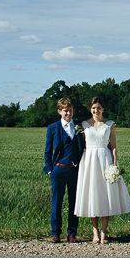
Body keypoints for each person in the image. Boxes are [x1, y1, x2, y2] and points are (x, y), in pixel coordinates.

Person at [74, 96, 130, 243]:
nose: (96, 110)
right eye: (94, 108)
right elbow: (80, 145)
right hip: (89, 162)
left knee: (105, 195)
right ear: (90, 109)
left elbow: (113, 146)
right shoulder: (84, 125)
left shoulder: (109, 124)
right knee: (92, 194)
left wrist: (114, 165)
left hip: (105, 160)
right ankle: (94, 232)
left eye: (99, 108)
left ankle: (104, 232)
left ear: (103, 109)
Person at [43, 97, 84, 243]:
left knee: (74, 202)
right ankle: (56, 233)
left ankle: (72, 233)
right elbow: (48, 151)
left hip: (74, 171)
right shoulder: (53, 128)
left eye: (70, 110)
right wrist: (49, 170)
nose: (68, 113)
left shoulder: (79, 128)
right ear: (60, 111)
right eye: (65, 110)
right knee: (57, 202)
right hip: (58, 170)